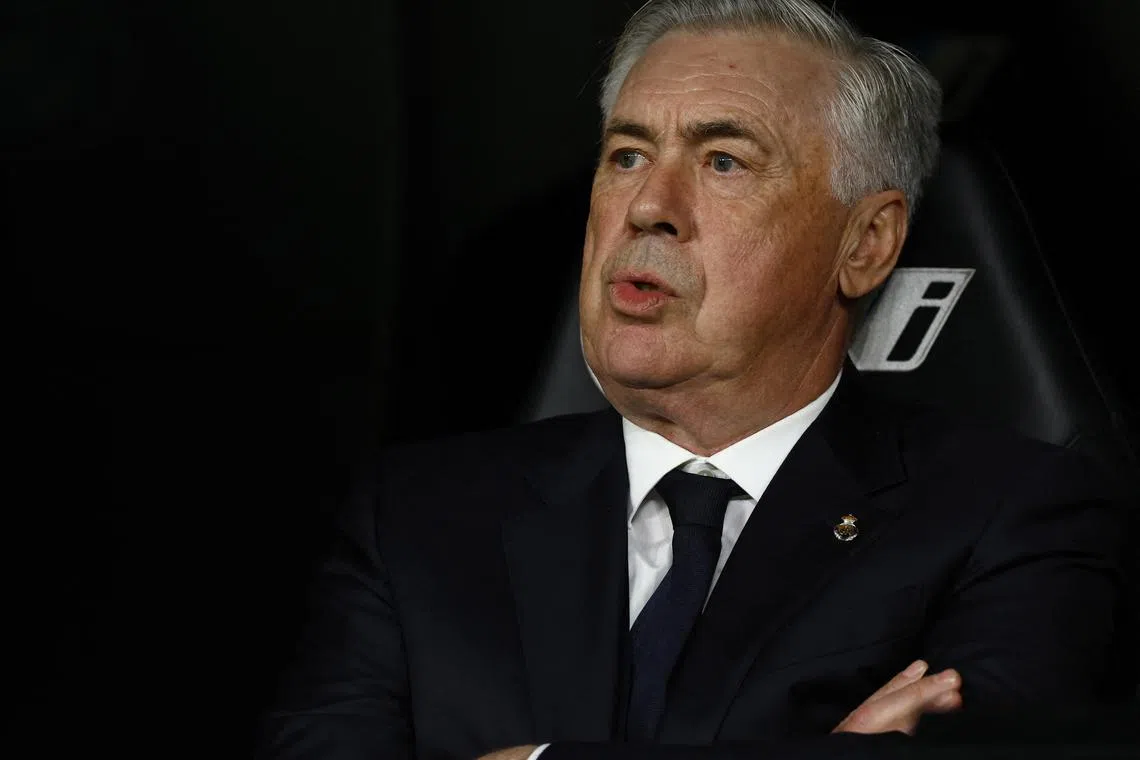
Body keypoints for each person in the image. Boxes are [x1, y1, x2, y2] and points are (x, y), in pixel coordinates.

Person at [256, 1, 1133, 758]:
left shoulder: (1014, 516)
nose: (647, 206)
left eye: (723, 161)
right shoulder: (416, 514)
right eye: (628, 154)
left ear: (865, 246)